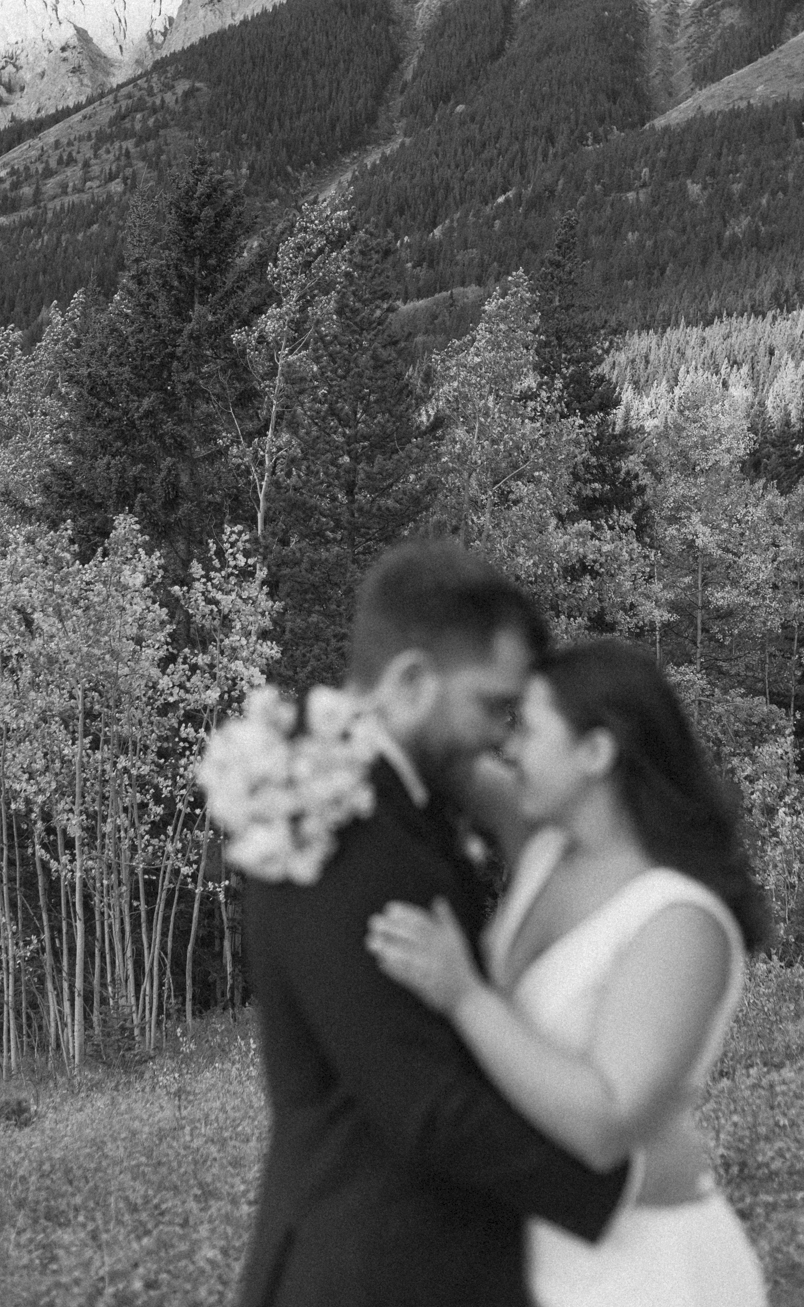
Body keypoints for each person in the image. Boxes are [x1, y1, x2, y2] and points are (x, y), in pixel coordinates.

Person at [236, 542, 632, 1307]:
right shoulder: (335, 829)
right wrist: (611, 1193)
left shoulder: (397, 801)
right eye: (492, 705)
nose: (503, 737)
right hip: (369, 1268)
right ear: (413, 681)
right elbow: (418, 1103)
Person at [367, 639, 770, 1307]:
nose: (509, 750)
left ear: (596, 752)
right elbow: (441, 752)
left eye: (526, 728)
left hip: (652, 1270)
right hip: (541, 1258)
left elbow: (605, 1123)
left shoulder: (679, 921)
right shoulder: (545, 848)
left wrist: (464, 995)